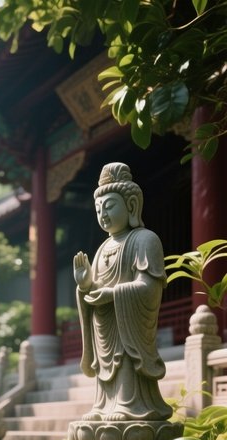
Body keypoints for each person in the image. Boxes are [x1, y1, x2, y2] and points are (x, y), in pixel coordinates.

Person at [72, 162, 172, 421]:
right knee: (106, 365)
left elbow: (149, 288)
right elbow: (94, 290)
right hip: (104, 328)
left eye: (109, 206)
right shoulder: (102, 249)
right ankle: (103, 405)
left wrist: (114, 294)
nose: (103, 214)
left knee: (125, 359)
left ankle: (129, 405)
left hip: (128, 327)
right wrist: (85, 286)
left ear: (131, 206)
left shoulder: (145, 240)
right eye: (98, 209)